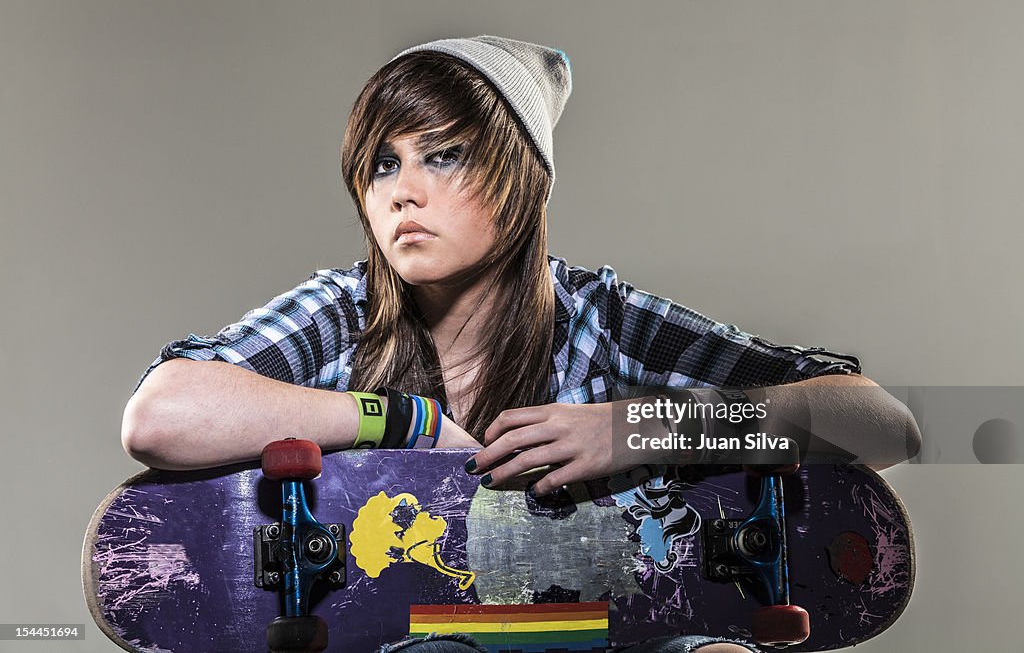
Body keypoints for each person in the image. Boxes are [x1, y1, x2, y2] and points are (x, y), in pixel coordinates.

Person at [122, 36, 920, 653]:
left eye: (444, 154)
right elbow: (163, 414)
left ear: (524, 174)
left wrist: (637, 429)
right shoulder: (344, 311)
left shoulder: (602, 320)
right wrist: (405, 423)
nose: (403, 190)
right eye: (381, 164)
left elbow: (881, 422)